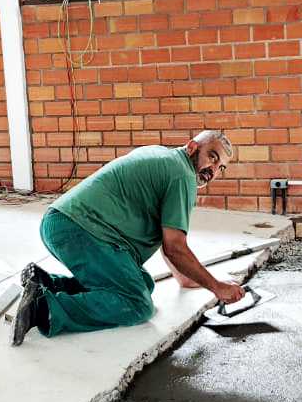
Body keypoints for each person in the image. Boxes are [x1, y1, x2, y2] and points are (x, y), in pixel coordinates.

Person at [13, 130, 247, 344]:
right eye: (212, 157)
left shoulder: (167, 158)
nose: (214, 170)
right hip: (78, 229)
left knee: (143, 282)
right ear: (192, 147)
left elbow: (168, 242)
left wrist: (185, 278)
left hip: (69, 224)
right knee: (138, 304)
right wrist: (217, 287)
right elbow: (175, 247)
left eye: (221, 168)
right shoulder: (182, 176)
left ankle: (47, 283)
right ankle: (43, 308)